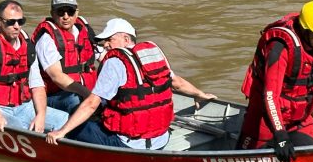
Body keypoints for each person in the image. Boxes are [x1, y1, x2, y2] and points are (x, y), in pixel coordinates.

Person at [46, 18, 216, 149]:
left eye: (109, 39)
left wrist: (62, 131)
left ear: (125, 39)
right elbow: (177, 83)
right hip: (161, 140)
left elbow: (91, 103)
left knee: (75, 124)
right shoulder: (153, 54)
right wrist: (200, 94)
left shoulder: (114, 62)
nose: (105, 45)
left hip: (128, 145)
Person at [237, 0, 313, 162]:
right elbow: (270, 96)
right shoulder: (280, 47)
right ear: (305, 30)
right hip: (265, 117)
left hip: (300, 117)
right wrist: (280, 134)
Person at [0, 0, 68, 133]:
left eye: (20, 21)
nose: (17, 26)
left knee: (63, 119)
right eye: (11, 22)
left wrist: (41, 115)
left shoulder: (28, 47)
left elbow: (37, 86)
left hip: (22, 106)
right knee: (17, 127)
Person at [31, 0, 98, 114]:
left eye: (70, 11)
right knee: (75, 100)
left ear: (77, 12)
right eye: (61, 12)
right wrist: (88, 95)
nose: (66, 17)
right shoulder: (46, 39)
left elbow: (102, 54)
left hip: (84, 89)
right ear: (52, 13)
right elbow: (57, 76)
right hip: (56, 94)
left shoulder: (85, 31)